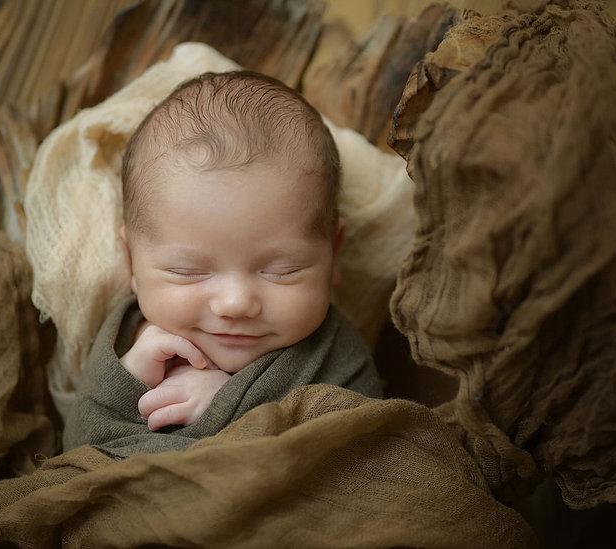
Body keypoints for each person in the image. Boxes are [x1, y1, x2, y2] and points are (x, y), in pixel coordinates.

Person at [63, 71, 382, 458]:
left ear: (333, 253)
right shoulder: (129, 344)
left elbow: (361, 452)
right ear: (131, 262)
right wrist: (126, 381)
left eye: (281, 271)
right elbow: (78, 452)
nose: (234, 304)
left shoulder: (333, 353)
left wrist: (230, 409)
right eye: (188, 272)